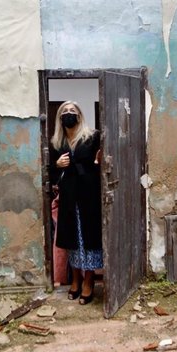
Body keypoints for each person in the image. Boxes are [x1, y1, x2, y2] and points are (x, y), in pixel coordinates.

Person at [50, 101, 102, 305]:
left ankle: (89, 281)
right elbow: (51, 174)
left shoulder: (92, 137)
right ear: (59, 117)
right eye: (65, 111)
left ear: (80, 116)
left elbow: (102, 163)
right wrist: (57, 164)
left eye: (73, 111)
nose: (69, 114)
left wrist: (98, 164)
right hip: (69, 198)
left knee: (89, 240)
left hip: (89, 196)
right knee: (72, 239)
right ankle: (76, 280)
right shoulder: (56, 143)